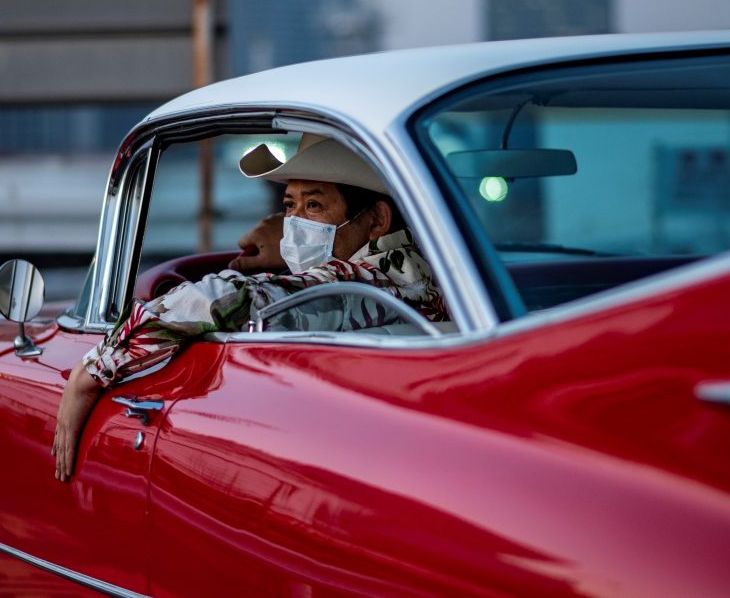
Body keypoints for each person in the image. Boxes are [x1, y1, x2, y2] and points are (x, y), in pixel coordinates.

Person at [52, 134, 448, 481]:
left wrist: (90, 371)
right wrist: (287, 250)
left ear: (377, 219)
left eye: (313, 207)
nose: (295, 223)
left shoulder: (361, 282)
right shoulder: (430, 271)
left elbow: (218, 300)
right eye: (289, 206)